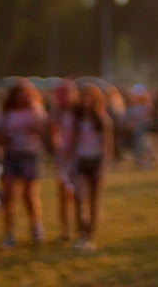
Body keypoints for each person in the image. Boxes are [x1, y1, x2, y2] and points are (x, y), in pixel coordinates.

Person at [0, 78, 49, 247]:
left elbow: (42, 129)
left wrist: (34, 109)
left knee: (29, 194)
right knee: (8, 194)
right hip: (11, 154)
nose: (22, 97)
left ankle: (36, 226)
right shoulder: (6, 111)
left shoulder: (36, 109)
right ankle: (8, 232)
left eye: (25, 93)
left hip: (30, 153)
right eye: (19, 93)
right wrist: (5, 140)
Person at [71, 82, 113, 252]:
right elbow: (73, 142)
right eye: (84, 97)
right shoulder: (77, 119)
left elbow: (107, 144)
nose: (86, 101)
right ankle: (81, 232)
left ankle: (90, 235)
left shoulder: (102, 119)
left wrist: (104, 165)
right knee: (80, 198)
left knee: (94, 200)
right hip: (81, 160)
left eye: (90, 98)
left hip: (95, 161)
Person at [48, 79, 78, 241]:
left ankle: (80, 226)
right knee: (63, 194)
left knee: (78, 193)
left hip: (78, 155)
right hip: (63, 157)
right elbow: (53, 132)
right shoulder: (57, 112)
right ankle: (65, 230)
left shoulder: (78, 111)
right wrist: (59, 148)